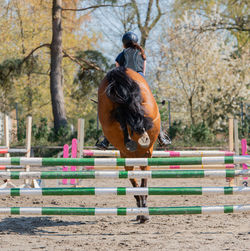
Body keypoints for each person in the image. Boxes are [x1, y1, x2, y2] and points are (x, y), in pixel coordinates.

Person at [96, 31, 171, 149]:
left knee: (115, 106)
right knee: (152, 104)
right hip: (140, 80)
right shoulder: (142, 54)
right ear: (136, 42)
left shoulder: (120, 55)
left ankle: (106, 140)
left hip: (125, 81)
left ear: (124, 44)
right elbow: (143, 72)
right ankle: (161, 136)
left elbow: (118, 73)